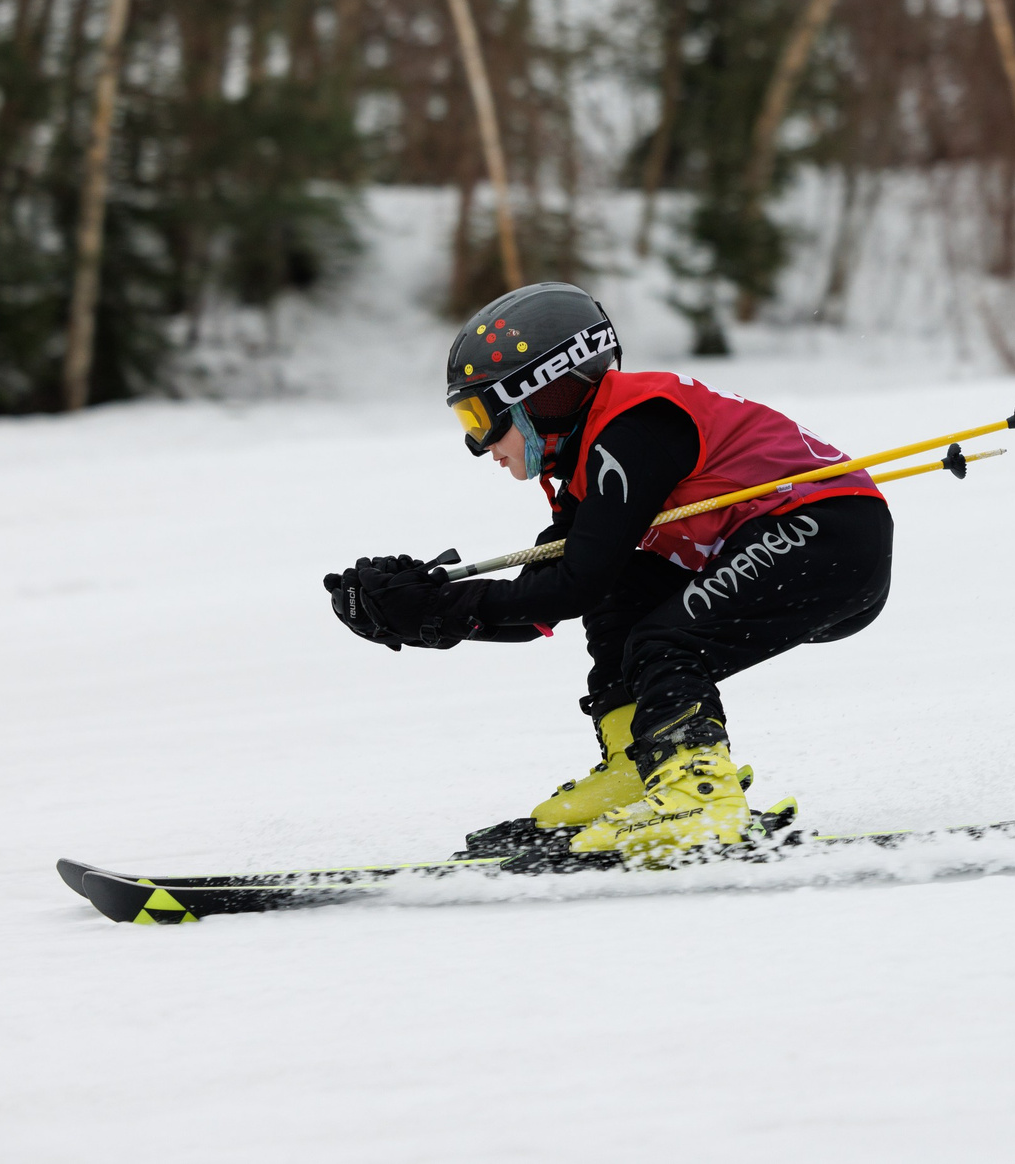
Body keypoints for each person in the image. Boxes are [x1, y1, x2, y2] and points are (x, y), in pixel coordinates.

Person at [322, 282, 893, 864]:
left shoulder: (635, 427)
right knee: (622, 598)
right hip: (795, 542)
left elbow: (574, 583)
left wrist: (443, 610)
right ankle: (639, 769)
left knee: (663, 641)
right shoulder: (585, 461)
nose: (479, 446)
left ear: (539, 394)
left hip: (827, 532)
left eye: (480, 417)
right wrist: (418, 612)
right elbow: (546, 602)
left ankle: (700, 799)